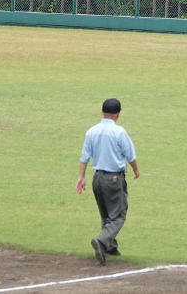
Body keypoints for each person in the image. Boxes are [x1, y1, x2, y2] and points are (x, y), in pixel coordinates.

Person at [75, 98, 139, 266]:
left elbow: (84, 156)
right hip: (114, 179)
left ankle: (110, 248)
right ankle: (102, 241)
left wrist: (81, 177)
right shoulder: (119, 132)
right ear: (118, 114)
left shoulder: (91, 131)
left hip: (97, 178)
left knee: (106, 214)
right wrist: (136, 170)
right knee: (118, 216)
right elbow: (130, 155)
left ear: (102, 112)